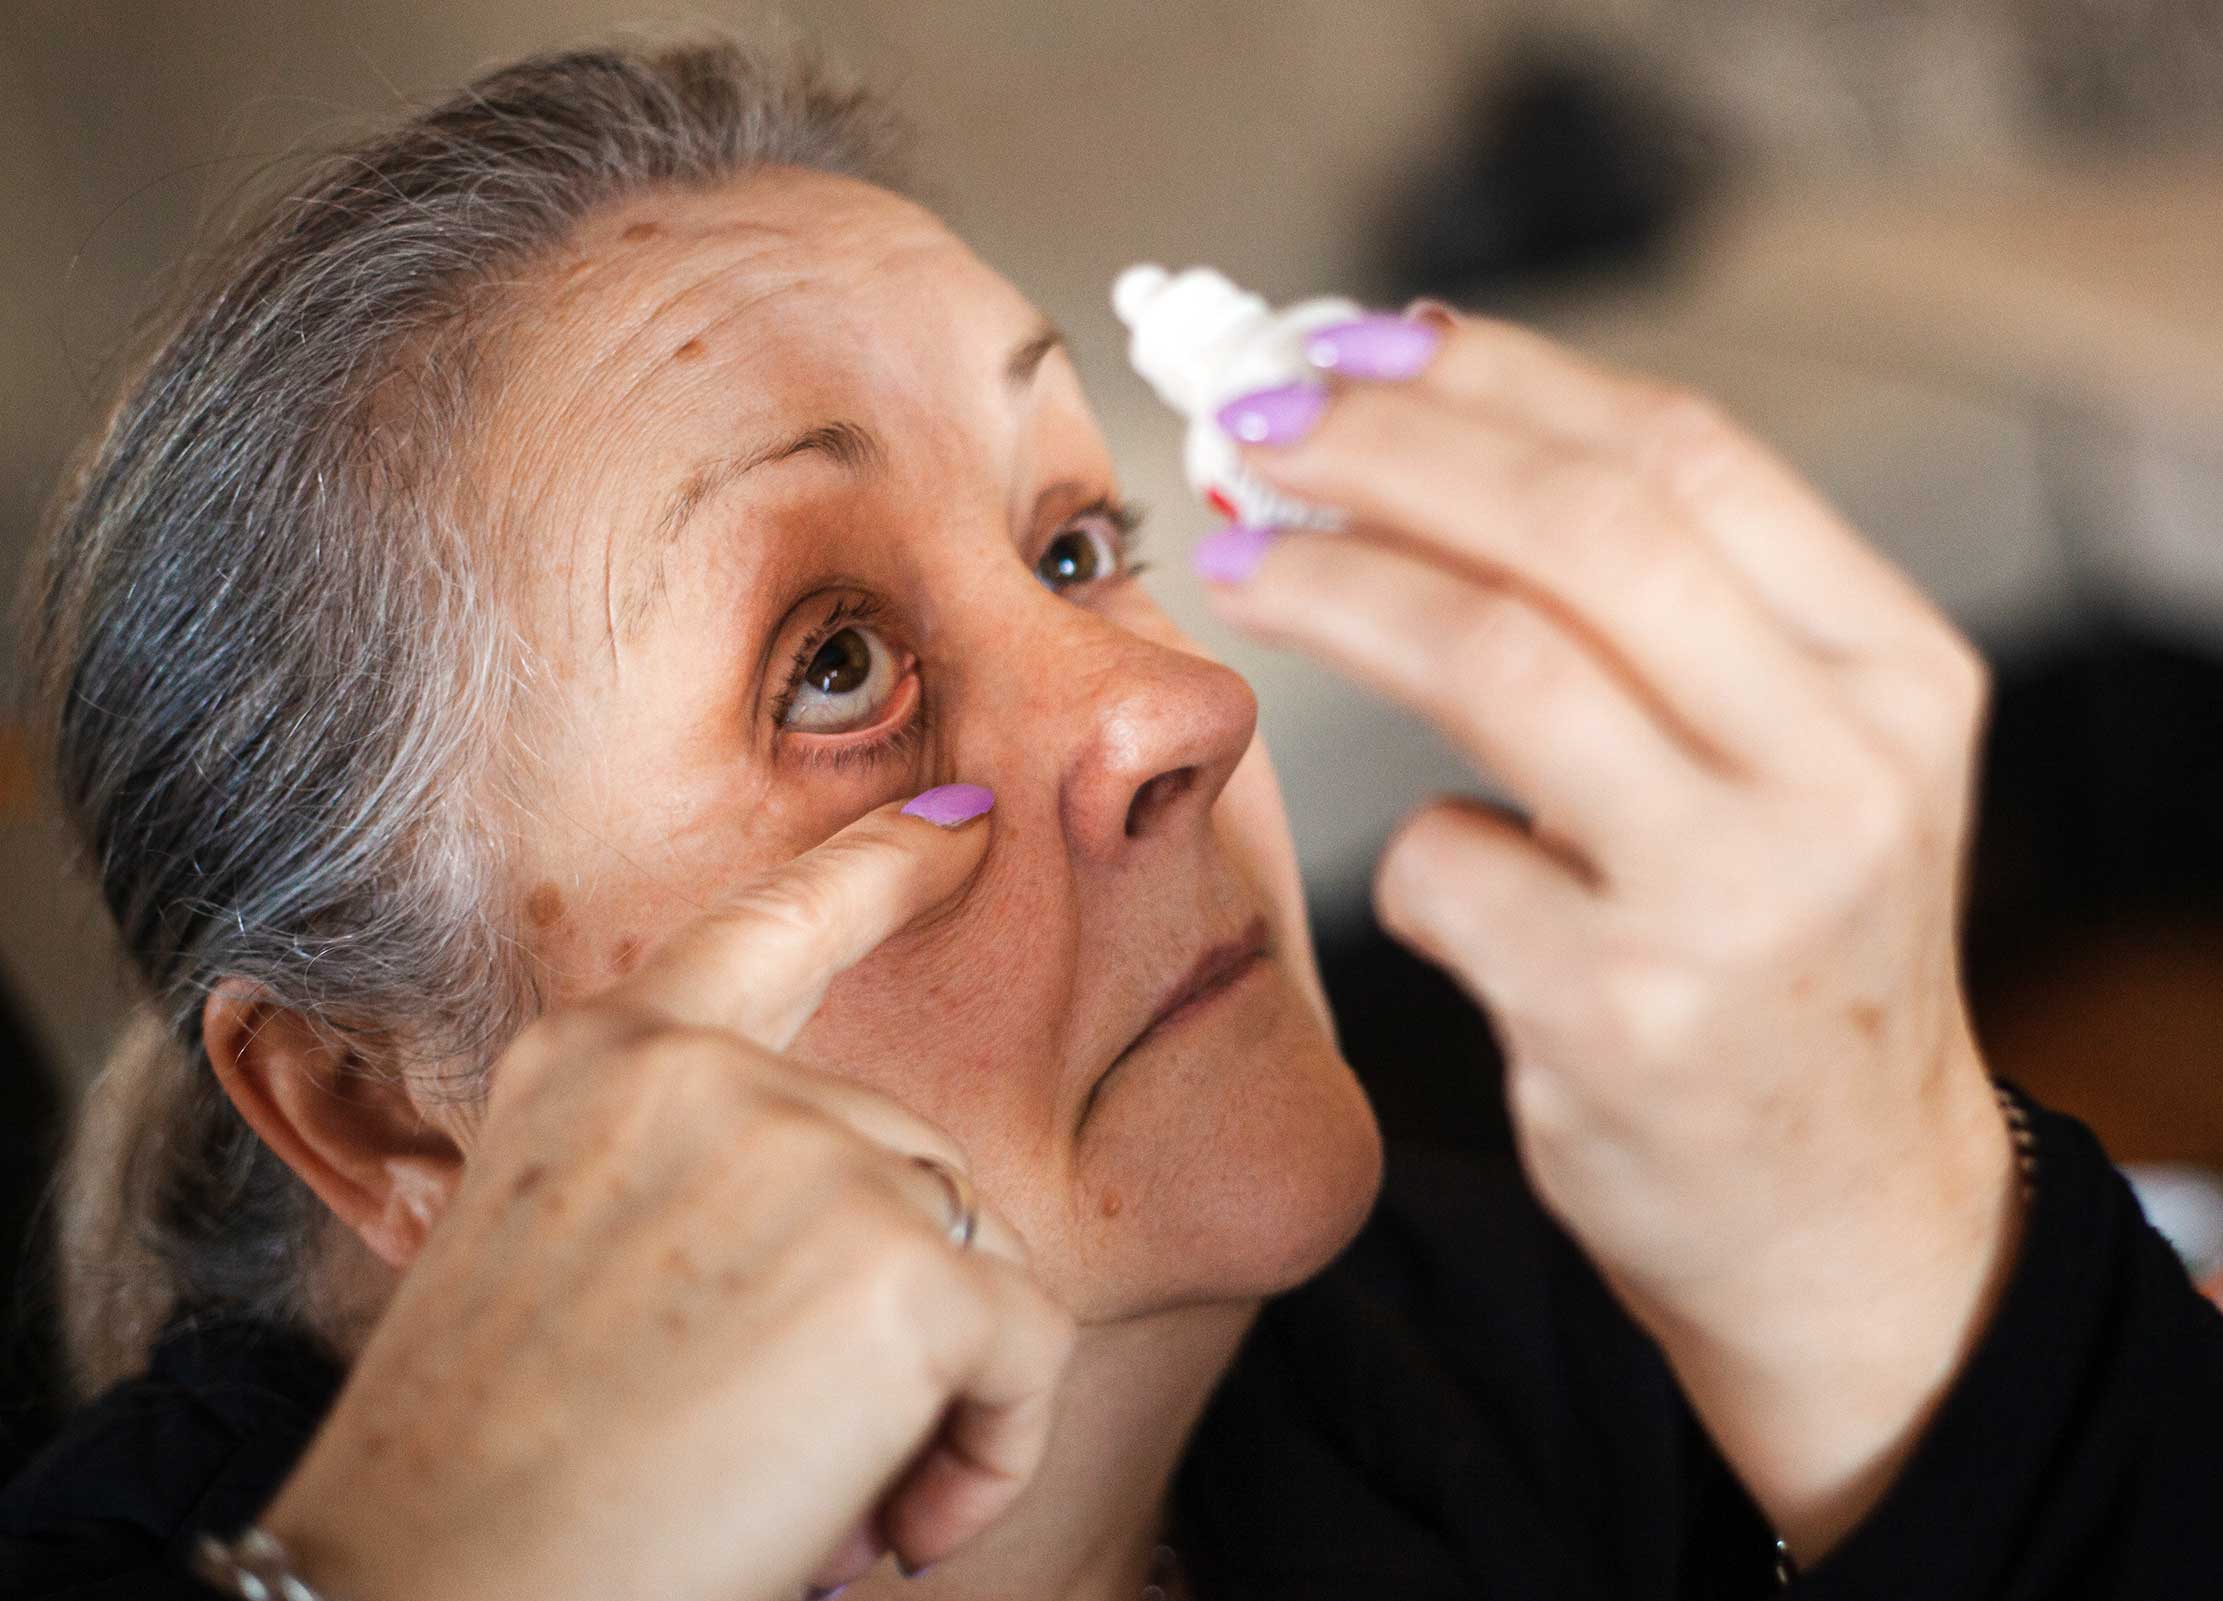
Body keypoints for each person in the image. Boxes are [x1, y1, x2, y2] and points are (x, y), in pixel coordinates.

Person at [4, 37, 2219, 1601]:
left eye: (1074, 545)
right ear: (381, 1112)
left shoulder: (1519, 1354)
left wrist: (1918, 1279)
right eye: (835, 667)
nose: (1181, 706)